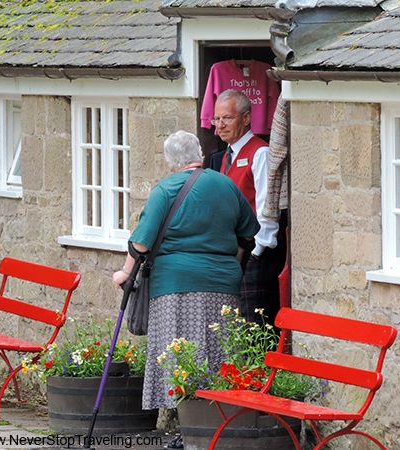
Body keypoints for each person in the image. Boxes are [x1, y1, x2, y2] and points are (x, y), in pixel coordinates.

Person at [112, 131, 259, 448]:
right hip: (223, 287)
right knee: (220, 355)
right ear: (201, 154)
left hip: (175, 288)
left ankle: (190, 431)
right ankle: (216, 427)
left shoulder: (165, 189)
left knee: (181, 358)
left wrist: (124, 273)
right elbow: (250, 233)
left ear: (170, 161)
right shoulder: (226, 185)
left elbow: (140, 244)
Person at [212, 89, 287, 326]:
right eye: (217, 119)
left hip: (256, 255)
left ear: (246, 119)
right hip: (233, 254)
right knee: (233, 326)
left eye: (227, 118)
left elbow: (268, 207)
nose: (220, 125)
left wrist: (256, 252)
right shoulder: (226, 156)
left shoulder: (260, 152)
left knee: (255, 327)